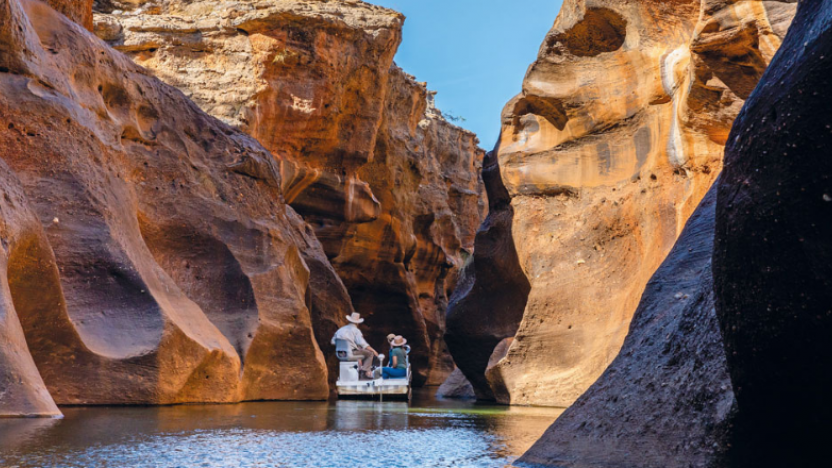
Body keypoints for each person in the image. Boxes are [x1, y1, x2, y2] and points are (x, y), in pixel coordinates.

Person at [331, 312, 378, 380]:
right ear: (357, 323)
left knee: (358, 351)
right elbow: (363, 344)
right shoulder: (356, 331)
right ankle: (366, 372)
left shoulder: (341, 330)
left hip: (339, 354)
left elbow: (333, 342)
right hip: (350, 353)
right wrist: (374, 351)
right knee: (370, 354)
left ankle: (358, 370)